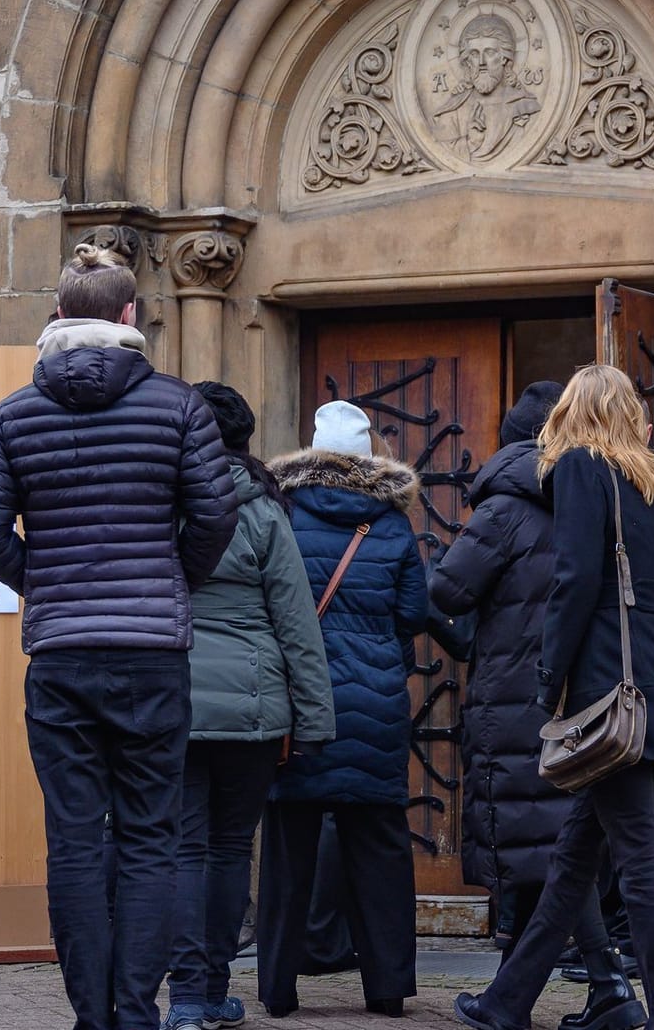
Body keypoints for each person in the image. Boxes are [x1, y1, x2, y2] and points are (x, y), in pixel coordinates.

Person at [0, 243, 239, 1030]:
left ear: (56, 318)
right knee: (153, 840)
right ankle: (134, 1009)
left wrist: (41, 582)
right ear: (129, 317)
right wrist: (172, 579)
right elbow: (217, 514)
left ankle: (93, 1015)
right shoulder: (180, 406)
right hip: (154, 657)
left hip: (61, 660)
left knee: (76, 842)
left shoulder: (13, 414)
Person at [456, 364, 654, 1030]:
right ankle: (506, 1004)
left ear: (573, 413)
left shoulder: (580, 472)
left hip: (603, 695)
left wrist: (550, 681)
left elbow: (573, 583)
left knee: (641, 869)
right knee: (573, 862)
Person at [432, 382, 643, 1030]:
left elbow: (448, 589)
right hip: (589, 695)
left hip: (519, 694)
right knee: (555, 841)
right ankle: (513, 994)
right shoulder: (612, 497)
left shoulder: (506, 508)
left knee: (548, 848)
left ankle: (607, 984)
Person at [164, 382, 336, 1030]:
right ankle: (211, 991)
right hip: (253, 708)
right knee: (231, 849)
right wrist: (315, 718)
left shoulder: (163, 506)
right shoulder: (263, 512)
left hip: (172, 700)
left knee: (183, 849)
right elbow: (296, 623)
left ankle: (182, 1002)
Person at [257, 401, 428, 1020]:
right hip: (376, 701)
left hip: (299, 701)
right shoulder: (390, 522)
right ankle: (386, 992)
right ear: (368, 455)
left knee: (287, 849)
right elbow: (413, 612)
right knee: (380, 849)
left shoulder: (281, 511)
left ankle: (277, 990)